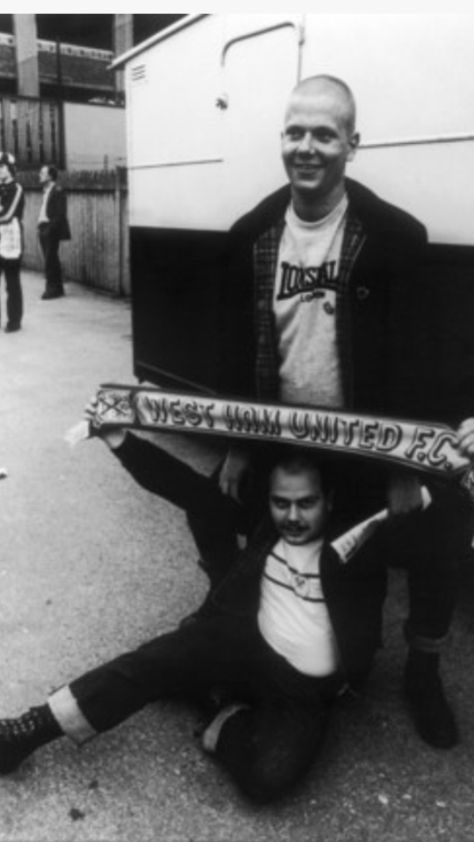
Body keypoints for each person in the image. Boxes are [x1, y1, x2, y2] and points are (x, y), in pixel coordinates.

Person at [205, 74, 474, 750]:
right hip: (291, 449)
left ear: (353, 143)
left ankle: (422, 670)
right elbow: (236, 353)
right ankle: (243, 627)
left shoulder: (395, 238)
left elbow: (423, 360)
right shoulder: (253, 235)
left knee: (442, 535)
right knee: (210, 507)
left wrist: (405, 464)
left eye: (324, 133)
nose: (307, 146)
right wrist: (240, 442)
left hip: (369, 445)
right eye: (295, 131)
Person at [0, 435, 390, 803]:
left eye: (306, 503)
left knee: (267, 780)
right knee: (153, 661)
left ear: (330, 501)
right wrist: (120, 439)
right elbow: (183, 487)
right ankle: (28, 729)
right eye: (280, 503)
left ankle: (221, 715)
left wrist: (436, 480)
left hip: (302, 691)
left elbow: (423, 533)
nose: (292, 516)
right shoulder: (265, 531)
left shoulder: (355, 549)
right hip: (247, 646)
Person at [38, 164, 71, 300]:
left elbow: (60, 214)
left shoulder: (57, 190)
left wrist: (49, 229)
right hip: (43, 227)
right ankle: (58, 288)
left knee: (50, 259)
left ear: (50, 176)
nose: (39, 175)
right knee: (51, 259)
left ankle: (51, 289)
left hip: (50, 229)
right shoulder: (46, 190)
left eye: (42, 173)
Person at [0, 152, 24, 332]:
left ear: (10, 168)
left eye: (2, 167)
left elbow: (8, 215)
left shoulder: (17, 188)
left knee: (12, 281)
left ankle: (14, 320)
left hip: (11, 238)